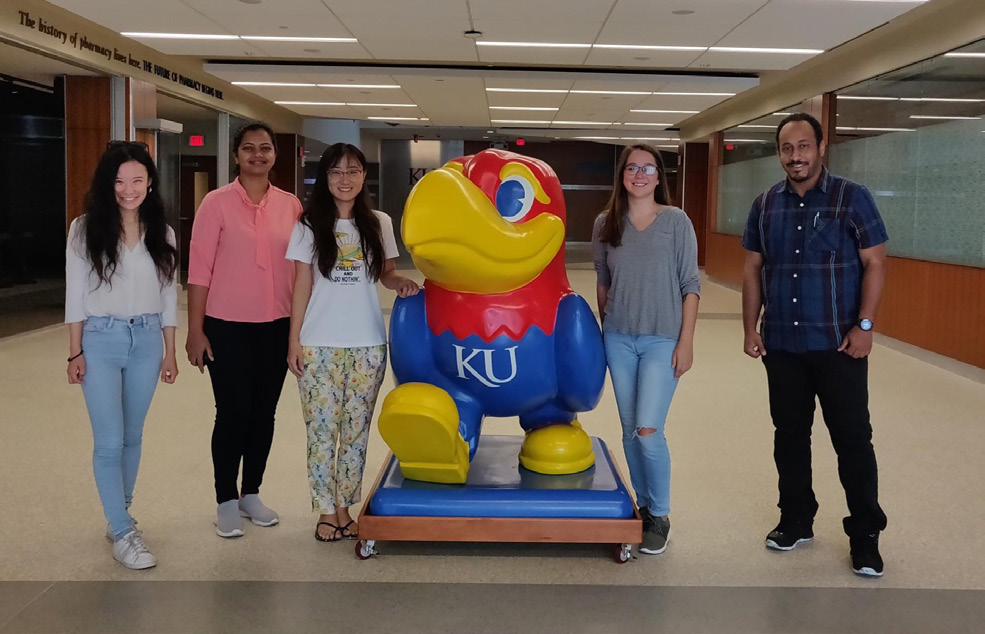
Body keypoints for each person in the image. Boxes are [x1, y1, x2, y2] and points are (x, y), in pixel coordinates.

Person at [741, 112, 889, 577]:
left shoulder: (852, 197)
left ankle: (865, 535)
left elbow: (876, 264)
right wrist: (751, 328)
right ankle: (796, 520)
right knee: (789, 437)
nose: (795, 156)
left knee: (852, 440)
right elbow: (752, 269)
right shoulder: (765, 204)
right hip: (783, 343)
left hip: (838, 345)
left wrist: (865, 326)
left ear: (821, 148)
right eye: (787, 148)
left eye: (804, 146)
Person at [286, 143, 419, 542]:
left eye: (353, 171)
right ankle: (328, 510)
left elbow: (387, 273)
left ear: (364, 177)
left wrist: (402, 284)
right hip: (319, 344)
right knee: (322, 432)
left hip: (367, 345)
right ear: (325, 179)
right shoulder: (307, 225)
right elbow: (301, 286)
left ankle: (348, 505)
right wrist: (293, 341)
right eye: (336, 172)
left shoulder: (378, 221)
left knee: (356, 432)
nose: (345, 180)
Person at [65, 140, 179, 570]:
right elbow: (75, 296)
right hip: (100, 339)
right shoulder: (84, 228)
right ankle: (124, 529)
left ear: (150, 182)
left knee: (133, 436)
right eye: (118, 181)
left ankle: (120, 518)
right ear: (106, 184)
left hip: (148, 340)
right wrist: (74, 352)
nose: (128, 189)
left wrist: (169, 352)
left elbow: (168, 295)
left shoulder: (161, 231)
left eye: (136, 179)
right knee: (109, 440)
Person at [186, 122, 302, 538]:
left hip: (276, 325)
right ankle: (224, 499)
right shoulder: (215, 204)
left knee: (263, 414)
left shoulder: (291, 206)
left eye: (266, 148)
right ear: (236, 155)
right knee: (232, 412)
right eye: (249, 148)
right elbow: (199, 272)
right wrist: (194, 331)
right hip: (225, 326)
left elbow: (303, 273)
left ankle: (251, 492)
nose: (258, 155)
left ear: (274, 155)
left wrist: (299, 332)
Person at [592, 143, 700, 555]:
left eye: (648, 168)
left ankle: (661, 512)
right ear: (622, 175)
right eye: (632, 168)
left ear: (659, 177)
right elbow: (603, 281)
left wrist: (685, 341)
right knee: (628, 430)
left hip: (662, 339)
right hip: (619, 338)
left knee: (648, 430)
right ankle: (643, 504)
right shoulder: (607, 222)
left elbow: (691, 284)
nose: (640, 174)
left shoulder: (676, 221)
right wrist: (606, 329)